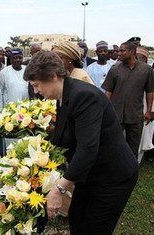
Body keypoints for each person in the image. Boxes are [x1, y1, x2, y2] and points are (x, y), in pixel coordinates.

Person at [24, 50, 139, 234]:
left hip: (112, 176)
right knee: (77, 221)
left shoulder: (84, 96)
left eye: (37, 85)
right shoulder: (64, 95)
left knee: (94, 229)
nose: (36, 91)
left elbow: (88, 149)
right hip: (89, 174)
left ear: (53, 76)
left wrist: (58, 190)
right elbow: (66, 135)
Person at [102, 41, 154, 158]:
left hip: (135, 115)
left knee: (133, 147)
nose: (118, 53)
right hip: (116, 114)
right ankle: (114, 169)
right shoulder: (115, 69)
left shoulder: (146, 70)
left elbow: (150, 91)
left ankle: (131, 171)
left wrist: (149, 111)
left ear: (132, 52)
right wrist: (106, 110)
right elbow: (108, 91)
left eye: (122, 50)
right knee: (112, 143)